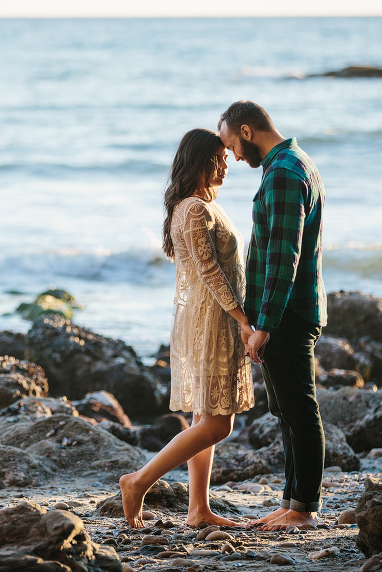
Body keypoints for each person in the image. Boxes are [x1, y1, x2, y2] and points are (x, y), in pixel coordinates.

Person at [119, 128, 255, 529]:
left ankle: (198, 509)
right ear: (201, 162)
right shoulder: (195, 209)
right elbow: (210, 272)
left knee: (204, 417)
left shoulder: (195, 206)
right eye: (220, 158)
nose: (227, 164)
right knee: (218, 423)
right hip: (214, 321)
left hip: (209, 319)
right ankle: (138, 481)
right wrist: (243, 320)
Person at [218, 100, 327, 531]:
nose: (233, 156)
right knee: (285, 412)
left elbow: (285, 257)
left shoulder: (283, 172)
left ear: (246, 131)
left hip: (288, 313)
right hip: (287, 310)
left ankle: (304, 509)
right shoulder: (289, 164)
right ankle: (291, 501)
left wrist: (264, 324)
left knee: (299, 410)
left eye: (231, 145)